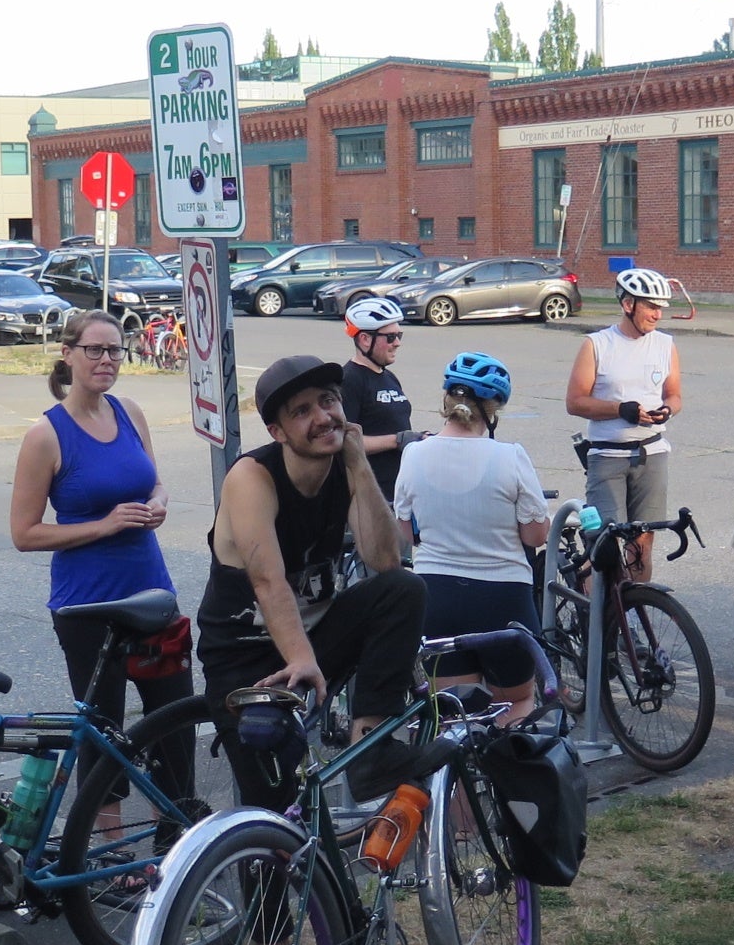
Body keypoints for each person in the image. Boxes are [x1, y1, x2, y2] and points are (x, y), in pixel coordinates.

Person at [197, 355, 427, 808]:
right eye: (302, 411)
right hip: (247, 654)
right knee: (278, 812)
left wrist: (360, 465)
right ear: (278, 432)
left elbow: (385, 561)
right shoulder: (252, 477)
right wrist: (301, 659)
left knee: (403, 591)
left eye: (328, 402)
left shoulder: (343, 465)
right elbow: (267, 580)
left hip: (312, 637)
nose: (323, 418)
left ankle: (372, 749)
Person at [7, 307, 188, 736]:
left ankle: (174, 807)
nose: (106, 359)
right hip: (87, 605)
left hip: (151, 593)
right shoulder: (45, 436)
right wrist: (105, 525)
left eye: (114, 350)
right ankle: (103, 807)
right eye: (94, 350)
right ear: (68, 354)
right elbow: (24, 534)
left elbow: (155, 483)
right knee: (103, 743)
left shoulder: (129, 412)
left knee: (174, 730)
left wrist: (158, 503)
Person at [394, 352, 551, 721]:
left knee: (452, 717)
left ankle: (457, 781)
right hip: (502, 600)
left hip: (438, 596)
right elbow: (534, 535)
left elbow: (406, 532)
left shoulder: (414, 455)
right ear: (492, 411)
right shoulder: (510, 457)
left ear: (447, 401)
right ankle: (503, 774)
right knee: (515, 703)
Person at [565, 267, 682, 582]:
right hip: (608, 456)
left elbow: (674, 395)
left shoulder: (665, 345)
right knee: (603, 545)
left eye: (661, 308)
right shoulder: (597, 345)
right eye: (651, 307)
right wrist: (621, 409)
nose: (658, 314)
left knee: (643, 541)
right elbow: (575, 401)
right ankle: (598, 621)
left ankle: (633, 617)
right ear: (628, 304)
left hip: (652, 452)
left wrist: (667, 410)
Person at [338, 296, 419, 500]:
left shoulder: (388, 376)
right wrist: (397, 440)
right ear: (365, 339)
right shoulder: (349, 380)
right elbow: (343, 443)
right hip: (372, 496)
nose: (397, 343)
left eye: (399, 334)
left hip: (399, 491)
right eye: (390, 337)